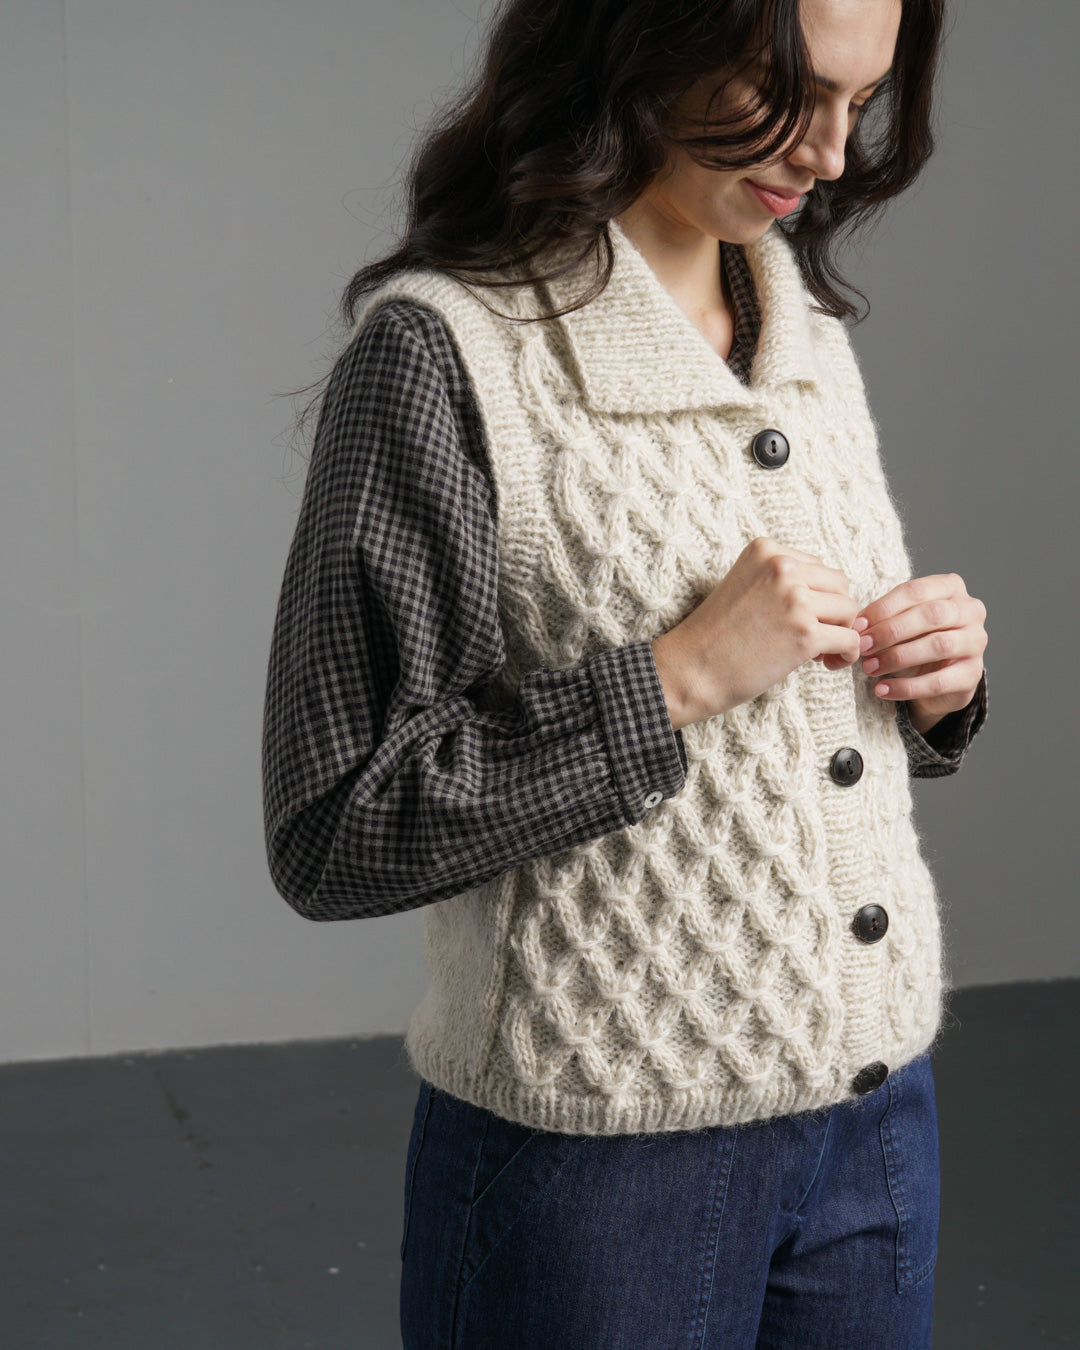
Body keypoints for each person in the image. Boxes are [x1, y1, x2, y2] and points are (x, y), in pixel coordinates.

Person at [261, 0, 990, 1344]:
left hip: (873, 1132)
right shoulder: (446, 359)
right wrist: (669, 681)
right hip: (601, 1167)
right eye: (792, 93)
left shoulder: (805, 329)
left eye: (861, 103)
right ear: (646, 36)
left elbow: (808, 731)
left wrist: (933, 690)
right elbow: (335, 825)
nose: (831, 152)